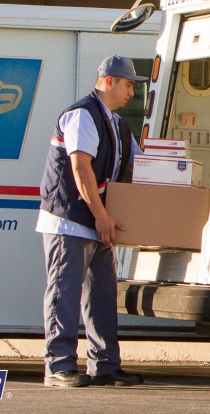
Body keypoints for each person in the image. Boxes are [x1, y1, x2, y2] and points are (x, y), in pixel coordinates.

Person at [36, 55, 146, 387]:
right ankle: (58, 366)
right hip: (69, 220)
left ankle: (105, 366)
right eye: (128, 85)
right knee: (64, 292)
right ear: (109, 81)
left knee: (100, 295)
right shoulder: (82, 115)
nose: (131, 93)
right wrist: (101, 216)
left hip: (100, 222)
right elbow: (81, 167)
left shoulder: (117, 124)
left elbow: (144, 166)